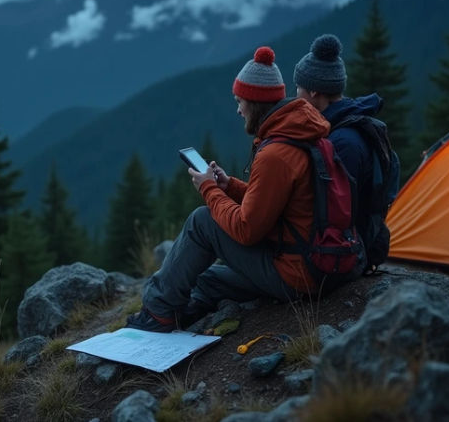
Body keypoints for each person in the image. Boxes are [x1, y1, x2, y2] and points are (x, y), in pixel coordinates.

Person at [126, 45, 355, 333]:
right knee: (205, 279)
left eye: (239, 101)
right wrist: (229, 185)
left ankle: (157, 313)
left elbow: (247, 229)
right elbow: (277, 203)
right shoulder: (303, 135)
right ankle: (185, 313)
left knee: (202, 221)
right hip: (317, 265)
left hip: (298, 275)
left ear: (255, 102)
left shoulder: (277, 154)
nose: (237, 110)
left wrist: (209, 189)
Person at [293, 34, 400, 275]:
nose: (295, 95)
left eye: (298, 88)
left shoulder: (342, 142)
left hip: (343, 252)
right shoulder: (345, 126)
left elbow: (337, 212)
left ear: (312, 92)